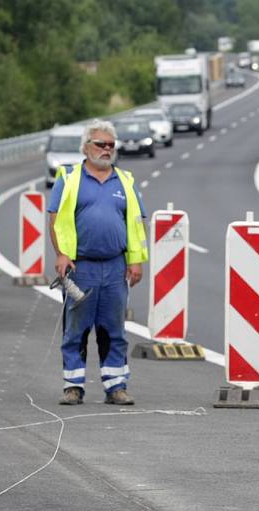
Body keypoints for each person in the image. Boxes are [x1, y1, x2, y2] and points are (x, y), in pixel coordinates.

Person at [47, 119, 148, 406]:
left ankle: (116, 387)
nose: (106, 150)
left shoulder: (125, 181)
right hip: (82, 268)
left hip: (116, 267)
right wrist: (62, 254)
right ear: (86, 147)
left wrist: (136, 261)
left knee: (114, 329)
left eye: (110, 145)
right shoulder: (68, 179)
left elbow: (137, 224)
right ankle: (73, 386)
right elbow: (55, 220)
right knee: (76, 329)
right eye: (100, 144)